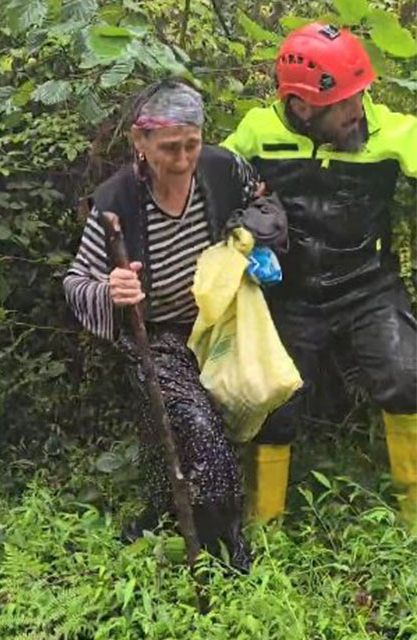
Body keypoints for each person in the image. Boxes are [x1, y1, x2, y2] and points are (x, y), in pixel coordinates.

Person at [222, 23, 417, 527]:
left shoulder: (390, 131)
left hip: (369, 284)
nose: (359, 109)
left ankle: (414, 515)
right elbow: (208, 178)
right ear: (303, 106)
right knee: (273, 399)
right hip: (290, 294)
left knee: (405, 375)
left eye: (362, 94)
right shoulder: (257, 133)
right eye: (346, 103)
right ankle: (263, 527)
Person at [65, 80, 266, 569]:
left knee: (189, 429)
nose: (181, 159)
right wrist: (111, 291)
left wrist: (258, 231)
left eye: (191, 145)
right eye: (169, 148)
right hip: (158, 337)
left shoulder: (221, 167)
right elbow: (75, 281)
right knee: (197, 429)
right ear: (140, 141)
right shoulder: (116, 200)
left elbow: (261, 196)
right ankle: (228, 554)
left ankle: (155, 517)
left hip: (221, 325)